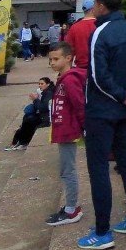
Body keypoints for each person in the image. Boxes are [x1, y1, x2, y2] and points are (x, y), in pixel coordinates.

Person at [76, 0, 126, 249]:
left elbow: (98, 76)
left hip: (102, 111)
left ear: (101, 5)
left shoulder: (100, 33)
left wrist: (123, 95)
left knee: (98, 168)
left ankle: (102, 232)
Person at [45, 42, 86, 226]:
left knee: (67, 170)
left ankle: (71, 209)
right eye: (50, 59)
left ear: (68, 58)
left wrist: (84, 127)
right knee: (65, 169)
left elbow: (79, 105)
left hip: (68, 130)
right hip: (64, 129)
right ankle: (70, 206)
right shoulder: (63, 79)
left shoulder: (69, 80)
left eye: (56, 59)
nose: (52, 63)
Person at [4, 77, 54, 151]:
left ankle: (22, 142)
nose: (40, 85)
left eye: (42, 84)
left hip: (46, 118)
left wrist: (35, 99)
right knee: (27, 117)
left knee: (29, 120)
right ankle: (19, 142)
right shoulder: (44, 92)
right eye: (39, 84)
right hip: (43, 115)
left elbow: (43, 107)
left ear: (48, 84)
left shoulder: (48, 93)